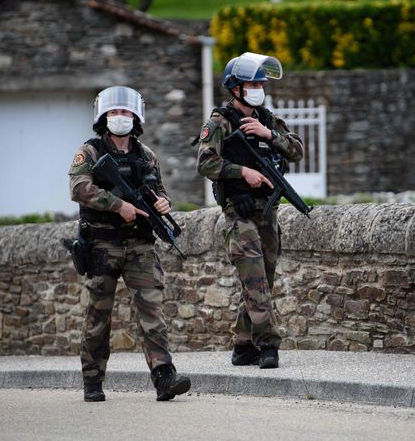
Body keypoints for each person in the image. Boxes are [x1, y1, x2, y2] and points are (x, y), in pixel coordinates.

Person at [68, 86, 191, 402]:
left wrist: (163, 203)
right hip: (102, 245)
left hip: (140, 245)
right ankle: (93, 381)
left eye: (125, 112)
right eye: (113, 112)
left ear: (135, 117)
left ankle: (165, 376)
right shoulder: (90, 151)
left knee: (153, 314)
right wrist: (117, 205)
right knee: (99, 316)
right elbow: (79, 188)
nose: (119, 117)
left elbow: (159, 189)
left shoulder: (146, 155)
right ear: (103, 117)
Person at [196, 52, 304, 369]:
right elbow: (205, 162)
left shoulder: (267, 120)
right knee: (255, 279)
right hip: (238, 212)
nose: (258, 87)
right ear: (235, 88)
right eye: (251, 83)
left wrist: (268, 134)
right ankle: (268, 345)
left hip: (267, 211)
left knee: (263, 280)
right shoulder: (219, 122)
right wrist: (242, 174)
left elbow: (296, 150)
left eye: (261, 82)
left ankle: (243, 345)